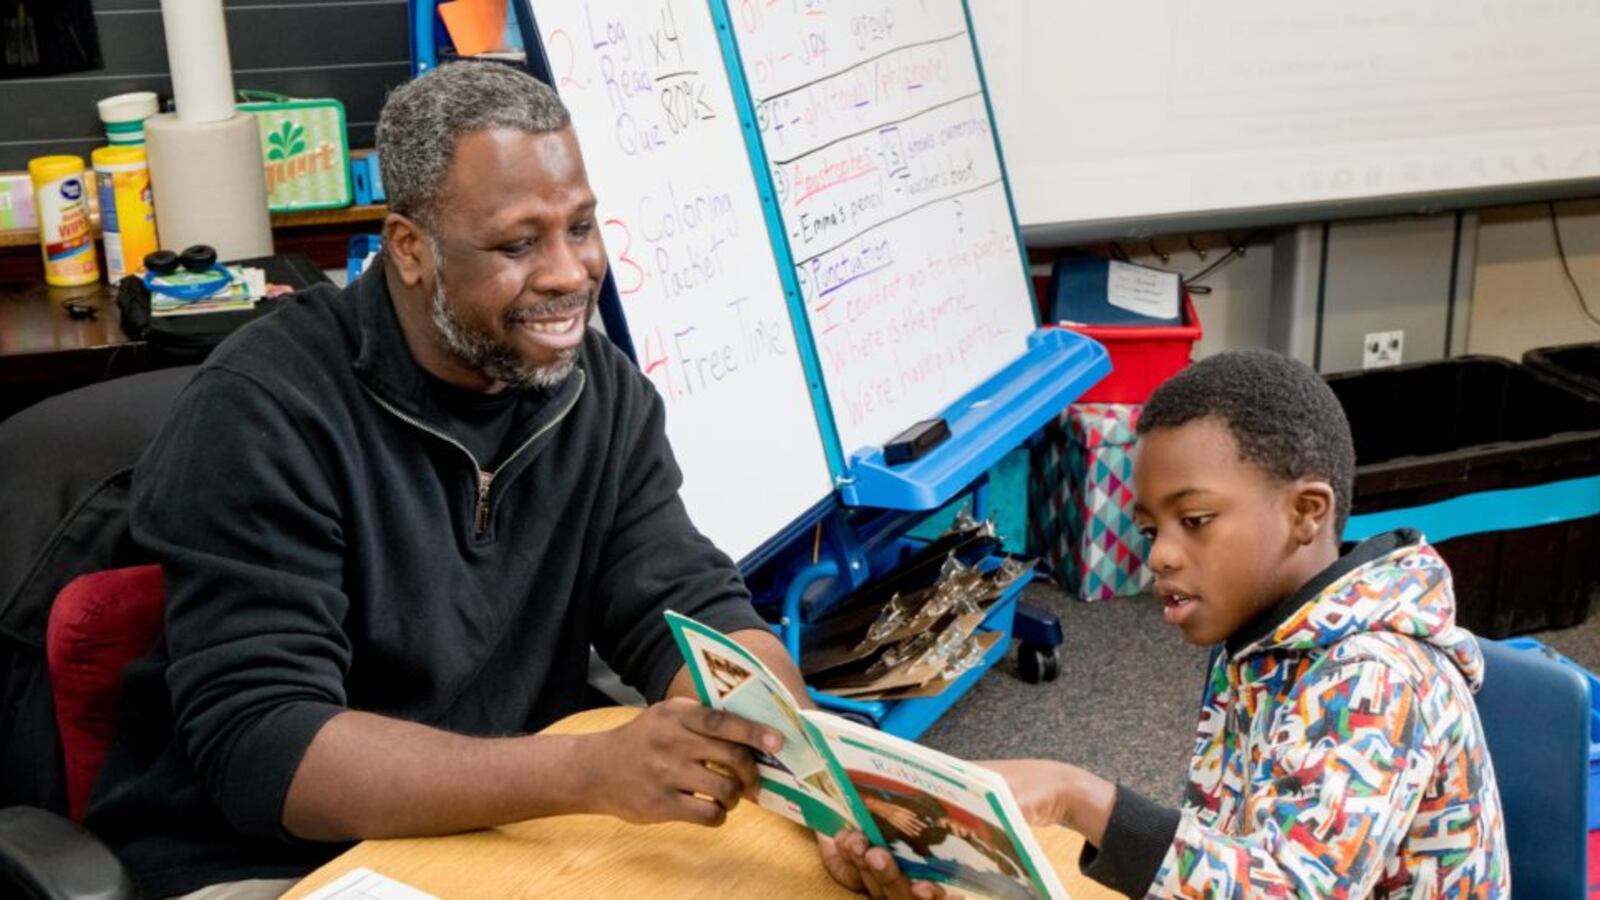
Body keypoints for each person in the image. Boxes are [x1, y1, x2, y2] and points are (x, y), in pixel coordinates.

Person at [84, 62, 933, 900]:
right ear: (411, 250)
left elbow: (688, 607)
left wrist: (822, 777)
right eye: (519, 243)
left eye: (582, 227)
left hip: (505, 826)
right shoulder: (263, 412)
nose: (569, 273)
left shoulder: (596, 393)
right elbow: (268, 750)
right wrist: (584, 770)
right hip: (270, 863)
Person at [985, 350, 1510, 897]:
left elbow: (1290, 890)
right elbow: (1232, 840)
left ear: (1305, 512)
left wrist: (1078, 798)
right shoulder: (1259, 642)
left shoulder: (1377, 678)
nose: (1160, 555)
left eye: (1194, 521)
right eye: (1149, 530)